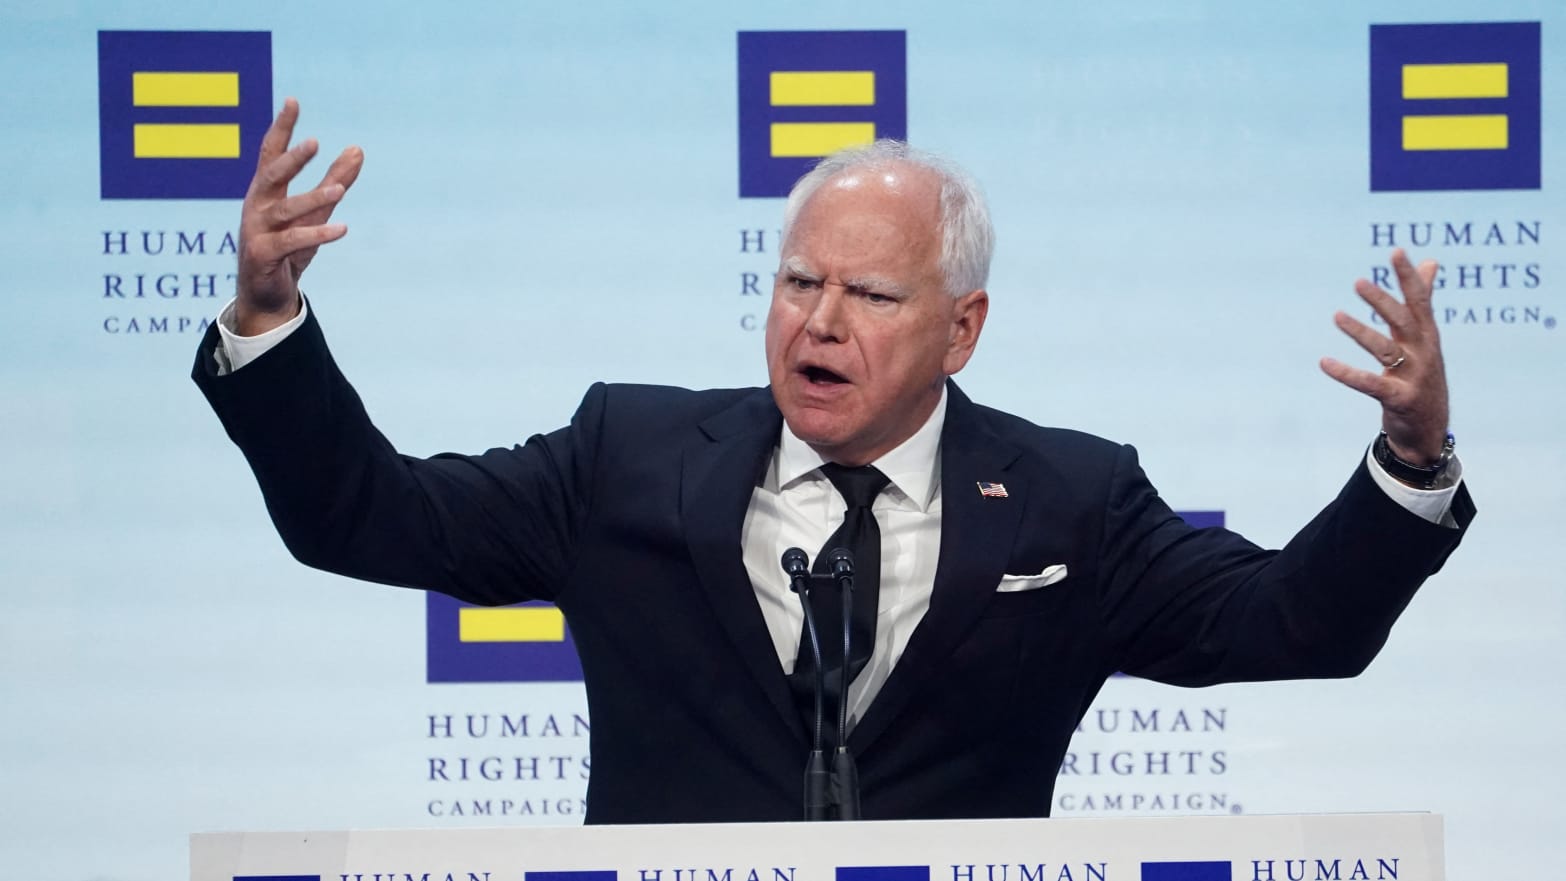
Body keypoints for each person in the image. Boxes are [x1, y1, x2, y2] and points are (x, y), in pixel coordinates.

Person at [194, 99, 1474, 823]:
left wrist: (1411, 457)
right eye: (798, 281)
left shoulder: (1069, 502)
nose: (817, 320)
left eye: (867, 292)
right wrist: (268, 322)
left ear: (962, 327)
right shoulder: (625, 456)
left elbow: (1295, 619)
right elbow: (364, 514)